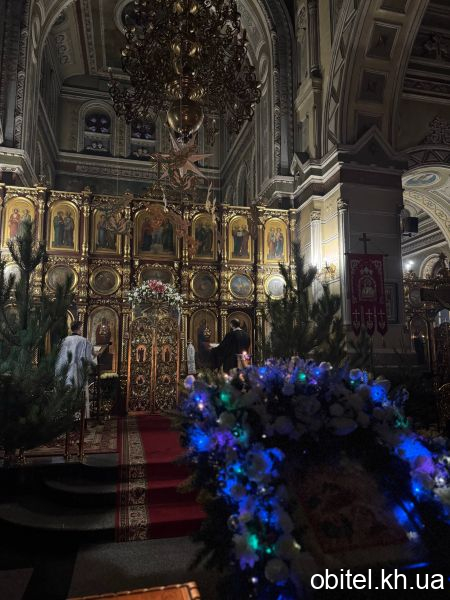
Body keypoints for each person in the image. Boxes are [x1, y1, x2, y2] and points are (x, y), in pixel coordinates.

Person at [55, 320, 97, 419]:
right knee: (78, 393)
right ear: (79, 328)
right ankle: (78, 416)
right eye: (81, 328)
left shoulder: (65, 340)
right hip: (78, 371)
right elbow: (88, 359)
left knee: (67, 392)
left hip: (65, 371)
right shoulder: (84, 341)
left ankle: (65, 415)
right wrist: (96, 355)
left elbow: (60, 357)